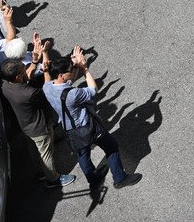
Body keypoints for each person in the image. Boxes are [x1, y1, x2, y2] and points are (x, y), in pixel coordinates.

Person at [44, 47, 142, 191]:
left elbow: (67, 82)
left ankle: (94, 180)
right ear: (61, 75)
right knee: (111, 146)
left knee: (83, 155)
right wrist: (84, 69)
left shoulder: (47, 88)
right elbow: (93, 90)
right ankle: (120, 179)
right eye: (70, 70)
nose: (72, 71)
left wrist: (75, 65)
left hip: (71, 130)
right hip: (88, 127)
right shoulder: (74, 94)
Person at [0, 47, 77, 188]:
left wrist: (35, 62)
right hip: (39, 128)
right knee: (46, 154)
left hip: (25, 125)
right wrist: (46, 71)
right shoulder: (28, 94)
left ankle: (41, 172)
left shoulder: (5, 85)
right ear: (18, 77)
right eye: (23, 69)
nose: (26, 68)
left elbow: (27, 77)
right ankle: (53, 179)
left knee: (34, 151)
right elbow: (47, 89)